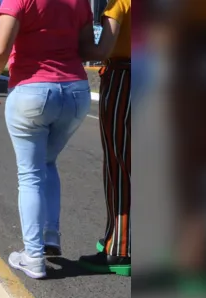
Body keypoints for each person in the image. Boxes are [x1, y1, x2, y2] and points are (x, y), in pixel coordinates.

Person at [0, 0, 93, 278]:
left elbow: (0, 51)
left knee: (30, 174)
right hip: (76, 93)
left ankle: (33, 256)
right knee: (48, 162)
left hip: (33, 91)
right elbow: (89, 49)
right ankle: (51, 235)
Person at [76, 0, 131, 275]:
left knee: (120, 163)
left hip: (127, 81)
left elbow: (101, 50)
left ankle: (121, 248)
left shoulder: (122, 4)